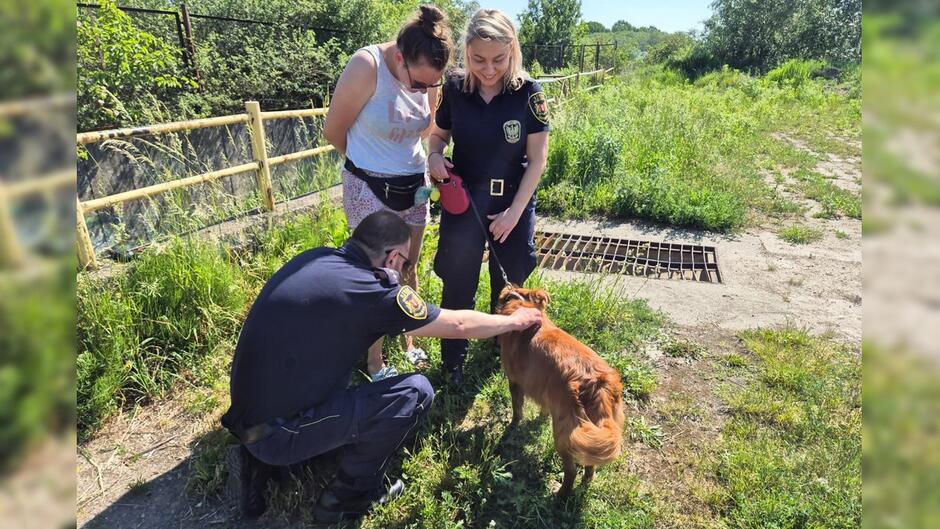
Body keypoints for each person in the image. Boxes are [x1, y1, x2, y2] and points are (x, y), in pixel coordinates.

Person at [220, 210, 542, 522]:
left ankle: (263, 462)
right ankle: (348, 495)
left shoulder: (319, 257)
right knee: (414, 392)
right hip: (277, 434)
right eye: (404, 263)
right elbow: (457, 325)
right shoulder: (373, 291)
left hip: (249, 413)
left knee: (336, 361)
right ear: (392, 257)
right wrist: (513, 321)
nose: (402, 272)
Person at [323, 4, 453, 382]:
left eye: (433, 85)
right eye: (418, 84)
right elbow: (334, 130)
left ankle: (409, 339)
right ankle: (374, 362)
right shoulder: (367, 66)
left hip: (413, 186)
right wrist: (370, 171)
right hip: (369, 185)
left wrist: (430, 161)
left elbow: (429, 128)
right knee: (377, 275)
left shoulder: (430, 77)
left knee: (408, 267)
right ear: (400, 57)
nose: (426, 91)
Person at [427, 8, 551, 386]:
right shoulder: (456, 89)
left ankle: (506, 355)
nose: (489, 68)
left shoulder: (528, 93)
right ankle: (454, 363)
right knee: (458, 280)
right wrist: (433, 155)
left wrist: (514, 212)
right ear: (466, 52)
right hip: (464, 203)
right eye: (479, 59)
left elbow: (537, 161)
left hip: (512, 201)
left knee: (510, 284)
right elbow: (438, 136)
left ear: (511, 50)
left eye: (498, 58)